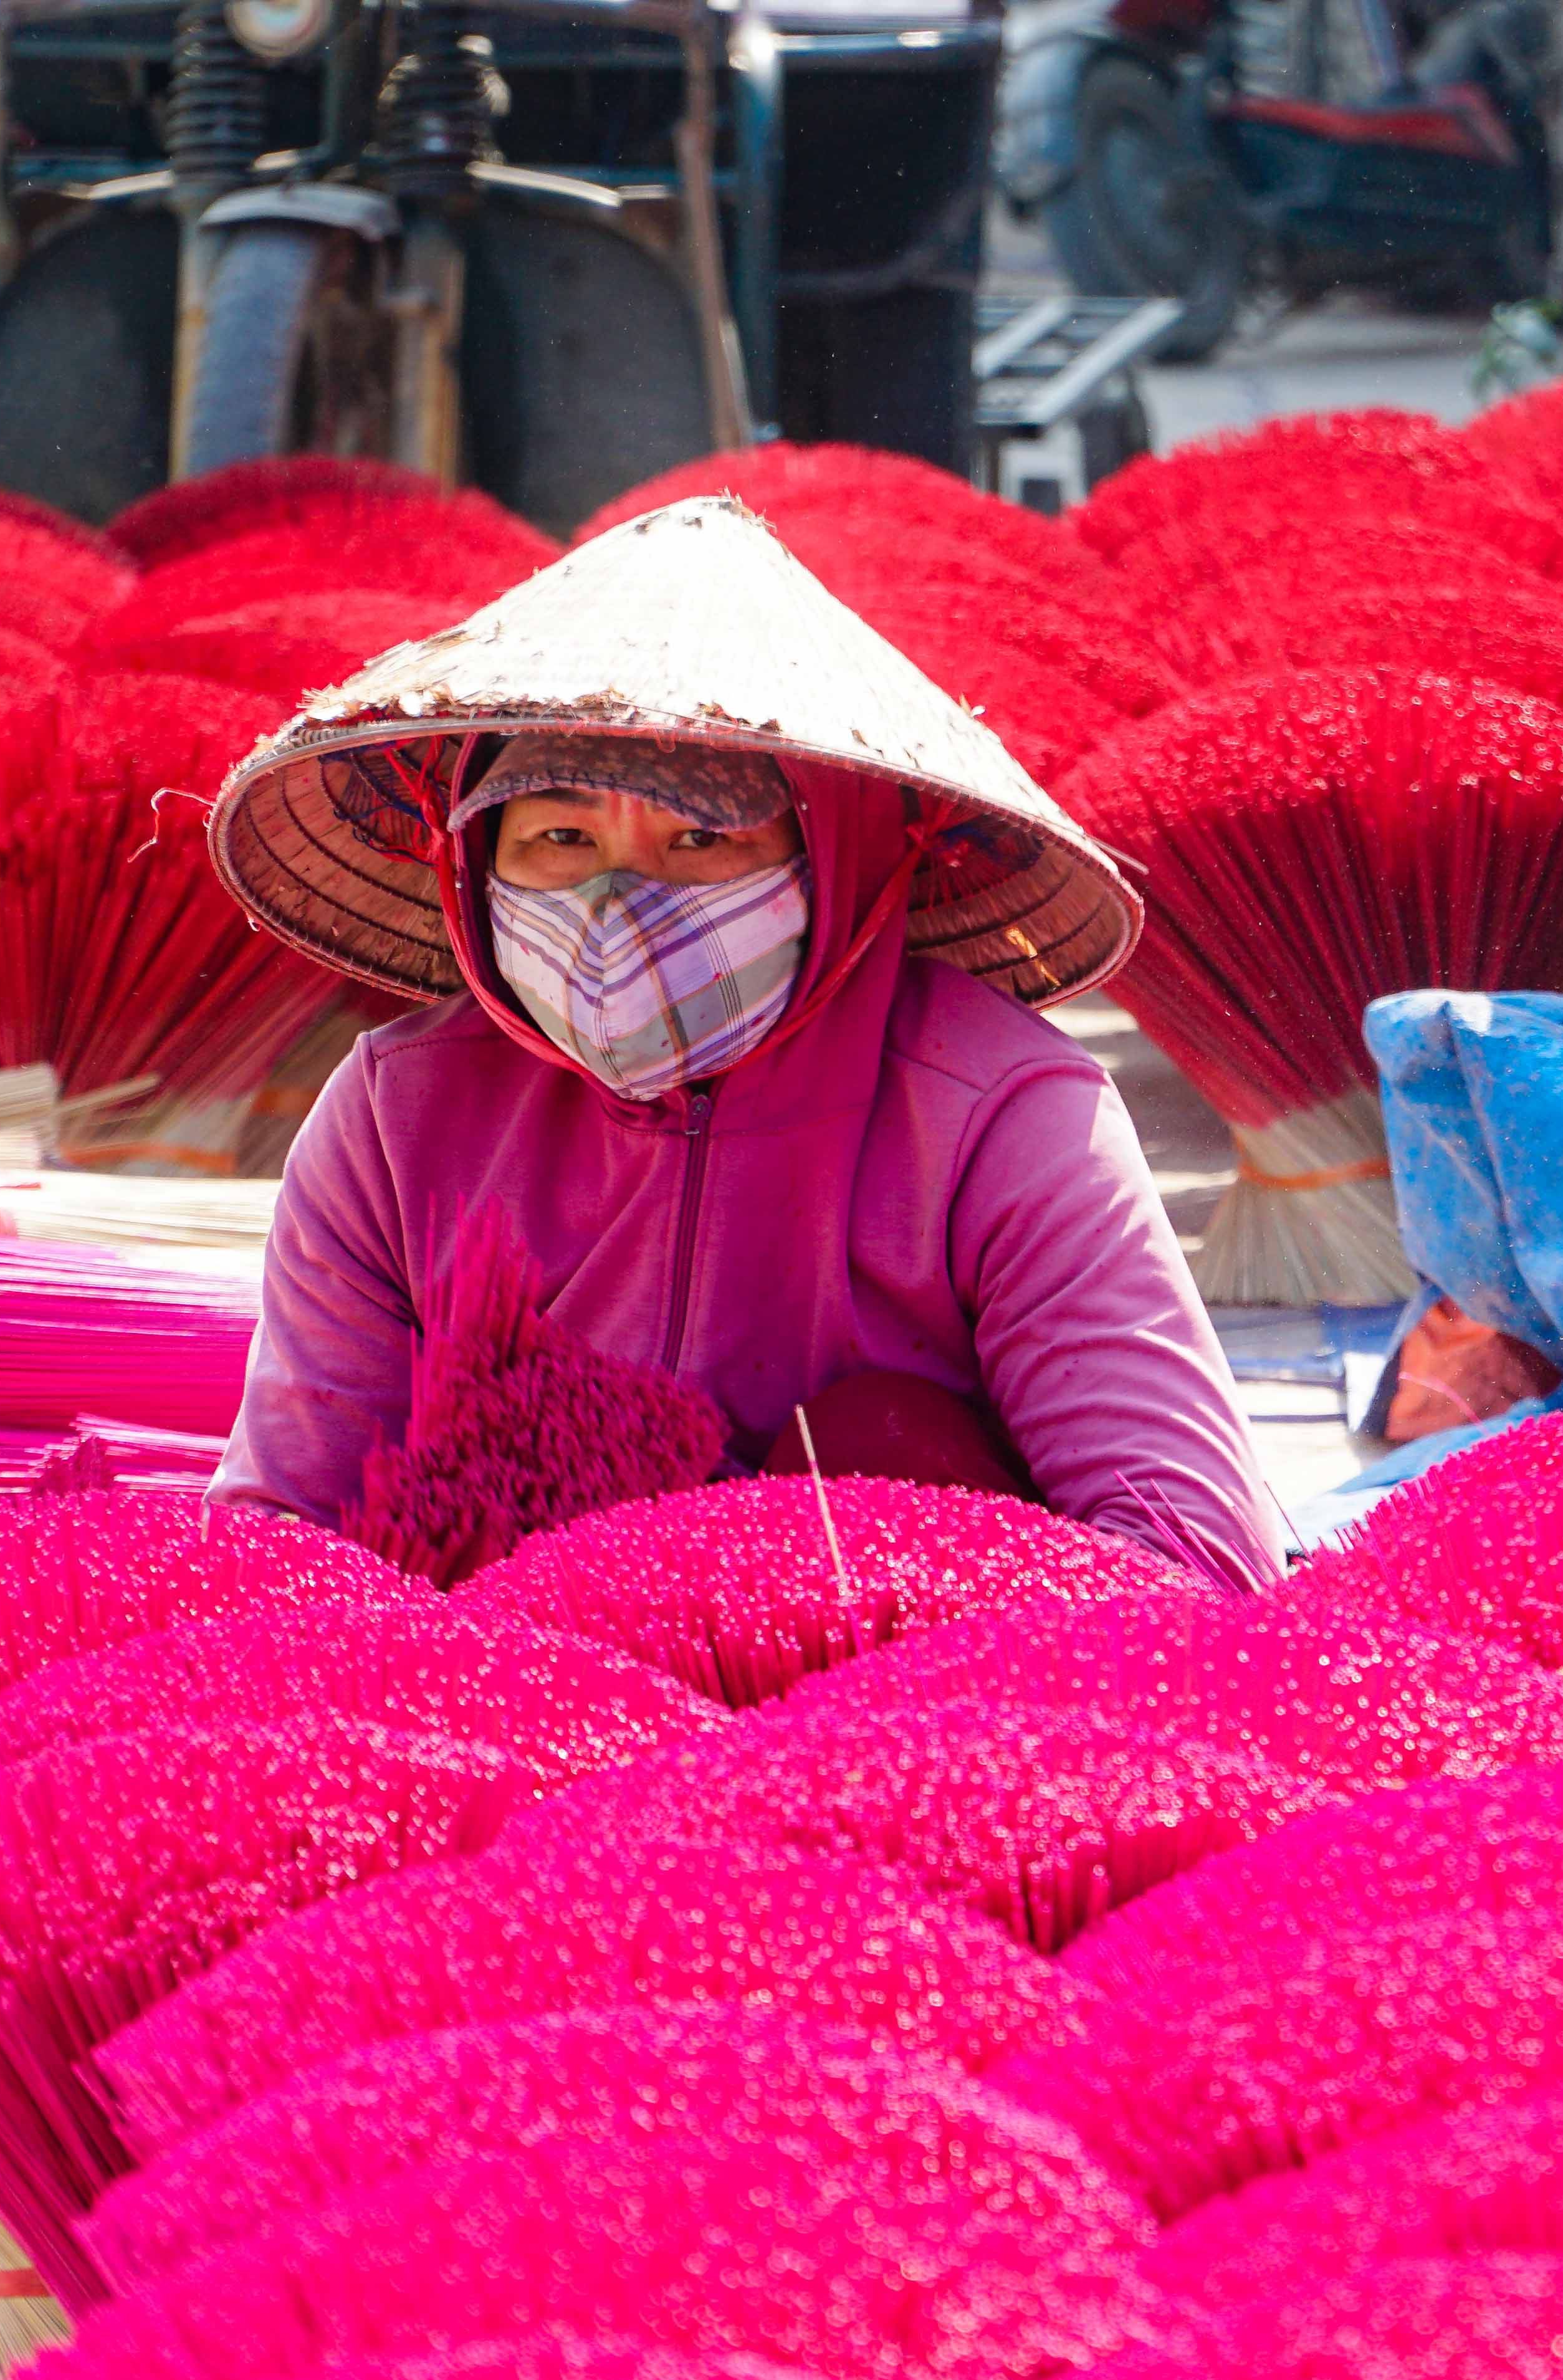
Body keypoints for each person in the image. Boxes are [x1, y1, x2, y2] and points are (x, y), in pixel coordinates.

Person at [202, 496, 1286, 1589]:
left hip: (915, 1699)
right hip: (511, 1694)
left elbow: (1193, 1559)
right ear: (475, 864)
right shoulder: (400, 1118)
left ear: (837, 857)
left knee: (880, 1438)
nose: (618, 907)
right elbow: (285, 1539)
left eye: (702, 835)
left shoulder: (999, 1112)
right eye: (559, 836)